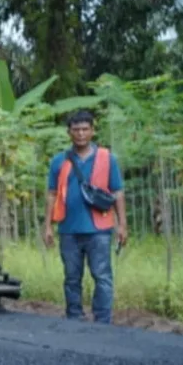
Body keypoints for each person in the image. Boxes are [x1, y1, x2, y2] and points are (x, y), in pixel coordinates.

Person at [43, 109, 128, 324]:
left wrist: (122, 225)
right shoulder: (59, 161)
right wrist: (47, 226)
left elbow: (117, 192)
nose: (80, 134)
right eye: (76, 129)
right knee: (72, 277)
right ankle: (74, 317)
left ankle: (102, 320)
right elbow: (52, 194)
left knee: (102, 276)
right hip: (68, 229)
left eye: (85, 129)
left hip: (99, 229)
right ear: (69, 132)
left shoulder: (107, 159)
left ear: (92, 131)